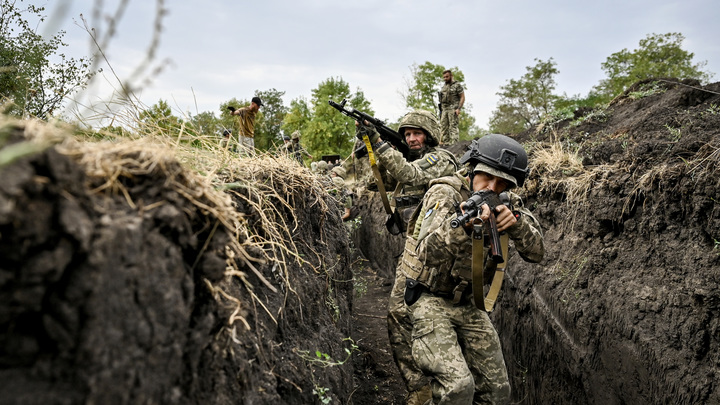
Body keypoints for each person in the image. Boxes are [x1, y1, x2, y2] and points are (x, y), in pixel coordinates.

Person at [398, 134, 545, 404]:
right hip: (429, 299)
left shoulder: (507, 203)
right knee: (458, 388)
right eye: (487, 177)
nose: (491, 187)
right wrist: (463, 230)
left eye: (502, 184)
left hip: (470, 303)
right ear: (473, 168)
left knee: (498, 392)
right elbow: (425, 254)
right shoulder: (445, 193)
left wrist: (515, 225)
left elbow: (537, 253)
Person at [356, 110, 458, 405]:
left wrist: (381, 141)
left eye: (418, 133)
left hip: (442, 248)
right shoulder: (407, 158)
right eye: (407, 134)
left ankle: (450, 384)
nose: (412, 139)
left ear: (430, 135)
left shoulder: (441, 159)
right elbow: (375, 183)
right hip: (416, 245)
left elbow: (409, 175)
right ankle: (419, 387)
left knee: (444, 317)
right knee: (399, 313)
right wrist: (369, 148)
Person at [438, 69, 465, 145]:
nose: (445, 78)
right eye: (444, 77)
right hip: (444, 109)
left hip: (453, 108)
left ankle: (455, 145)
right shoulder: (444, 87)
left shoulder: (457, 85)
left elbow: (462, 97)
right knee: (444, 128)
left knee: (453, 127)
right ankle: (446, 145)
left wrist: (459, 108)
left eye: (447, 77)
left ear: (451, 76)